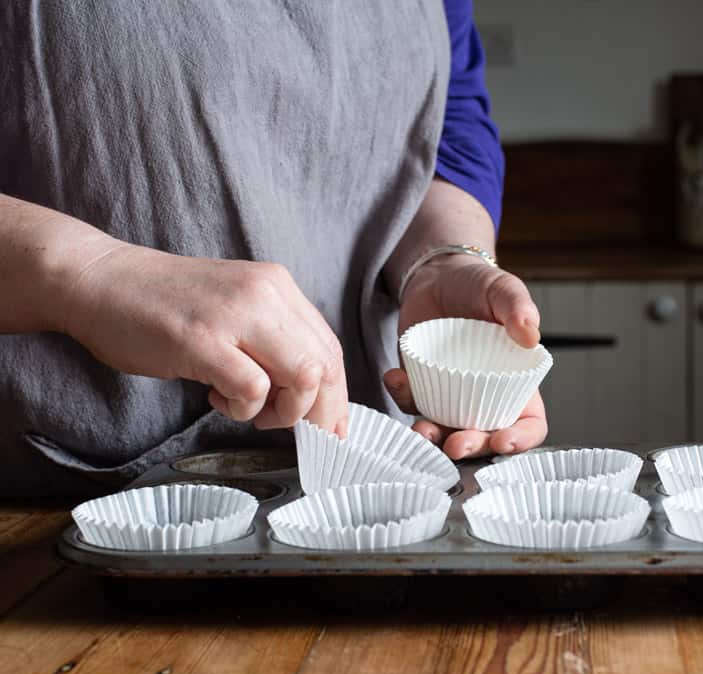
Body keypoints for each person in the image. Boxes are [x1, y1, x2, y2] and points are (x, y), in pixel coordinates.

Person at [0, 0, 546, 497]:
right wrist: (91, 272)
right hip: (48, 506)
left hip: (359, 482)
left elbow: (444, 125)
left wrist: (440, 258)